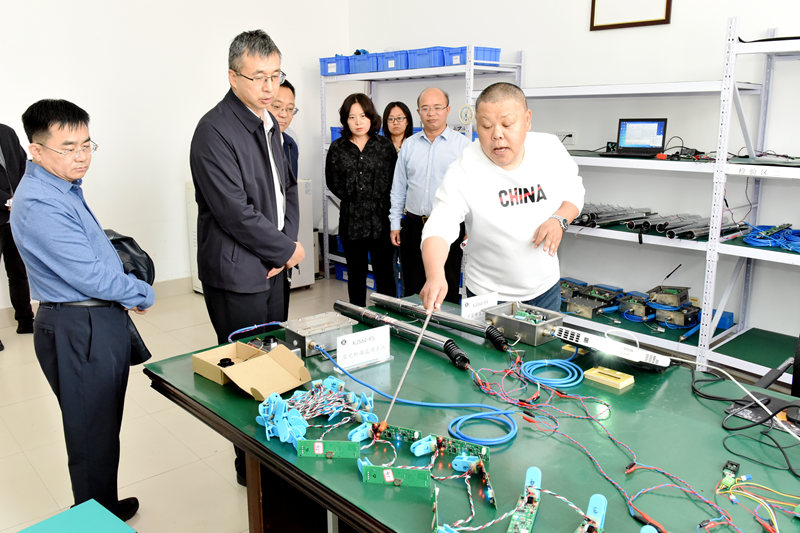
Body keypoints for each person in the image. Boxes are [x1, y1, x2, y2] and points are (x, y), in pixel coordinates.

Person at [10, 99, 155, 521]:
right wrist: (140, 292)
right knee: (91, 437)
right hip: (79, 325)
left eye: (87, 145)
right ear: (36, 150)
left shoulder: (62, 186)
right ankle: (92, 519)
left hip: (93, 318)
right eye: (68, 147)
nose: (82, 156)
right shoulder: (40, 202)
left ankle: (103, 507)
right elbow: (89, 275)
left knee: (101, 429)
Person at [189, 29, 304, 485]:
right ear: (233, 77)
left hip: (273, 267)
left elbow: (287, 189)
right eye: (259, 77)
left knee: (275, 363)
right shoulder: (213, 131)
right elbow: (234, 211)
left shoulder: (268, 123)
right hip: (238, 274)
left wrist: (287, 245)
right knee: (246, 371)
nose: (270, 87)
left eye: (276, 75)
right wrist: (285, 249)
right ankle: (249, 468)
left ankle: (273, 457)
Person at [419, 82, 584, 313]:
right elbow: (440, 225)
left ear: (527, 120)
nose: (497, 134)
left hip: (545, 289)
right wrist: (435, 274)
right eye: (486, 126)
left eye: (507, 124)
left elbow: (574, 189)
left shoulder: (549, 149)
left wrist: (560, 219)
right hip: (487, 294)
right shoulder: (465, 168)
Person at [389, 87, 471, 303]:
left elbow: (471, 190)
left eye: (437, 108)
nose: (431, 113)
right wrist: (395, 224)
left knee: (447, 287)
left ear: (447, 110)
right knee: (412, 287)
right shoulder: (409, 145)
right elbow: (399, 187)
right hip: (413, 225)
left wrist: (469, 227)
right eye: (425, 108)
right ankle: (412, 323)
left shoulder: (463, 146)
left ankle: (443, 325)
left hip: (448, 228)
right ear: (418, 112)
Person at [326, 93, 397, 306]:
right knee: (356, 276)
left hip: (381, 221)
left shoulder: (384, 146)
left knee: (385, 275)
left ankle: (388, 317)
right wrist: (354, 197)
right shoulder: (338, 147)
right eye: (352, 117)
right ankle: (358, 317)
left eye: (363, 116)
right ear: (345, 120)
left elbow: (394, 180)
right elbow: (332, 181)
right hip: (351, 221)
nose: (358, 122)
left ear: (371, 117)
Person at [0, 123, 35, 339]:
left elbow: (24, 167)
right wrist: (7, 201)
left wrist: (21, 197)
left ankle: (26, 321)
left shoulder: (6, 132)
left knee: (19, 272)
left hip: (16, 218)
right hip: (4, 210)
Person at [272, 79, 299, 176]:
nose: (284, 114)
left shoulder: (291, 143)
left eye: (290, 109)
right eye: (277, 106)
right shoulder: (248, 143)